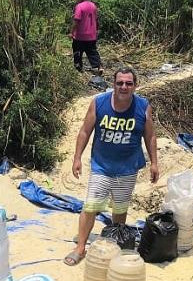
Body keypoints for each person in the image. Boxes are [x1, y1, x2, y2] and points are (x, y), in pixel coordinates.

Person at [66, 66, 159, 265]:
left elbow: (150, 135)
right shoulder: (99, 102)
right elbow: (84, 131)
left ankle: (115, 244)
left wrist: (154, 163)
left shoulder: (143, 106)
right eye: (120, 83)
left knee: (120, 209)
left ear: (135, 85)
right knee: (91, 206)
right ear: (113, 84)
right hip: (102, 166)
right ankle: (80, 247)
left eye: (128, 83)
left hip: (128, 168)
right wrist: (77, 158)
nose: (124, 87)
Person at [71, 0, 101, 73]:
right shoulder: (93, 6)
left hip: (80, 36)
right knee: (92, 52)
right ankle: (97, 66)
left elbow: (76, 21)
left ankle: (78, 67)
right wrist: (97, 30)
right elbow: (96, 20)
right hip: (91, 35)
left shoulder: (79, 6)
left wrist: (71, 32)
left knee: (77, 52)